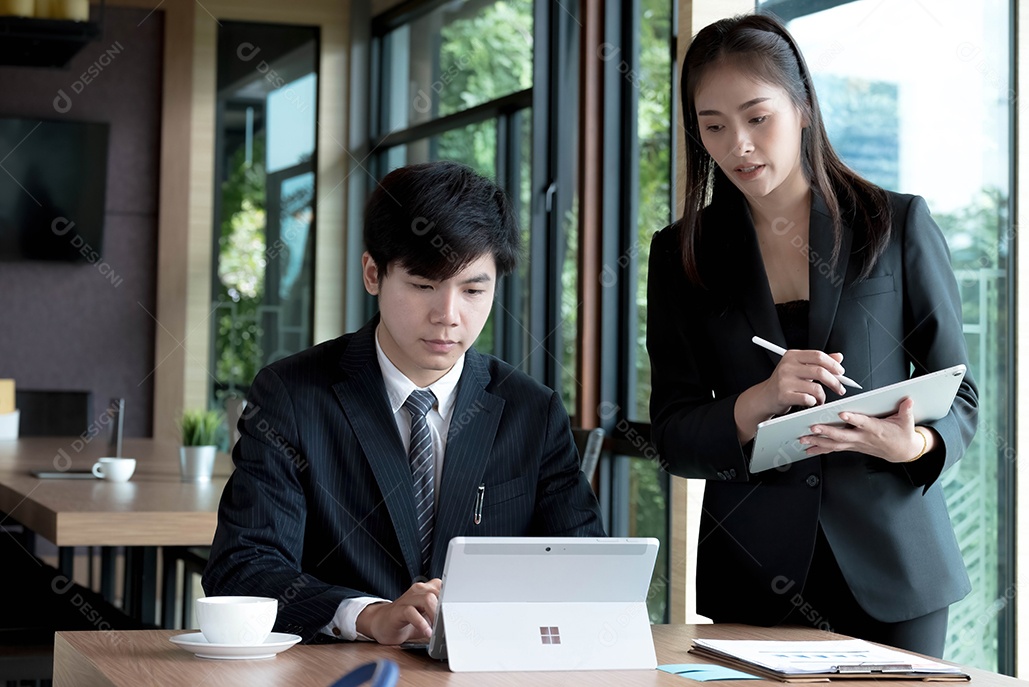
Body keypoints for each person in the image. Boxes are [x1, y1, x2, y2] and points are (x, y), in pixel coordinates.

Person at [646, 14, 978, 658]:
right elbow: (673, 436)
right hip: (753, 575)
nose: (739, 146)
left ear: (801, 109)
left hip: (895, 572)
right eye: (714, 127)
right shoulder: (682, 254)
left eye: (757, 118)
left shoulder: (895, 222)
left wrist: (913, 445)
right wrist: (760, 400)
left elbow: (961, 395)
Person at [204, 160, 605, 645]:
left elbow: (585, 572)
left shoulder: (532, 411)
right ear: (373, 273)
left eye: (473, 290)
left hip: (483, 669)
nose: (448, 316)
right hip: (338, 670)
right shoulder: (292, 395)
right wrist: (367, 615)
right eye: (423, 286)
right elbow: (243, 568)